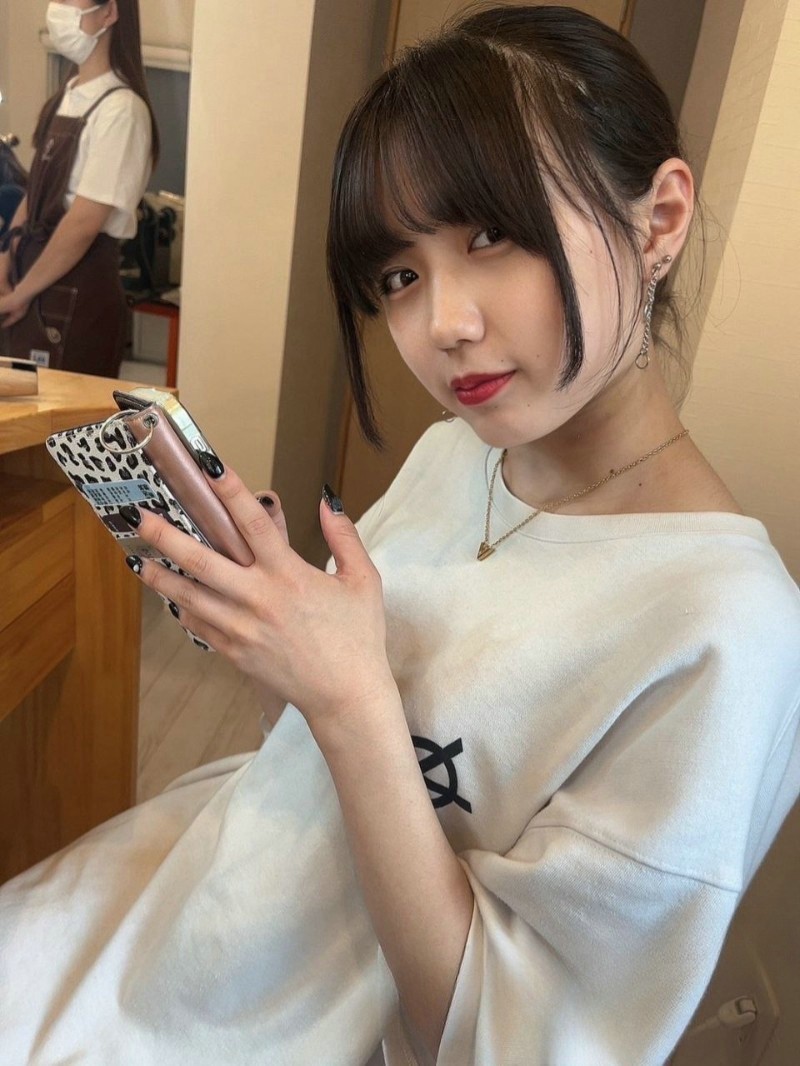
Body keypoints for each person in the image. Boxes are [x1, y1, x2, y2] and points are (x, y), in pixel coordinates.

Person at [1, 5, 799, 1064]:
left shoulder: (729, 636)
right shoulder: (452, 456)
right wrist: (279, 642)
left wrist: (349, 700)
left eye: (492, 235)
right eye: (399, 276)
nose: (441, 326)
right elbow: (318, 750)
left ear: (658, 220)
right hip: (205, 899)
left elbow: (501, 1043)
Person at [0, 0, 157, 376]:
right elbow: (35, 194)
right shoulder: (68, 95)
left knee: (59, 411)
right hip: (31, 279)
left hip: (76, 290)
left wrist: (23, 293)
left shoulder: (122, 110)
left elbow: (84, 223)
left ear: (109, 13)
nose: (58, 9)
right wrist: (5, 259)